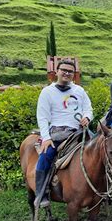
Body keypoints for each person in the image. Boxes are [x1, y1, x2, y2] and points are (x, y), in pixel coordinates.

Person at [36, 59, 93, 207]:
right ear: (57, 72)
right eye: (64, 70)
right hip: (57, 132)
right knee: (45, 156)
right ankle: (41, 193)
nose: (67, 73)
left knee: (103, 148)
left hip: (79, 131)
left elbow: (88, 108)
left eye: (70, 71)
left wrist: (87, 117)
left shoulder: (79, 91)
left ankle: (104, 188)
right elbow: (42, 116)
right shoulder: (47, 92)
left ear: (74, 75)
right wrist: (46, 138)